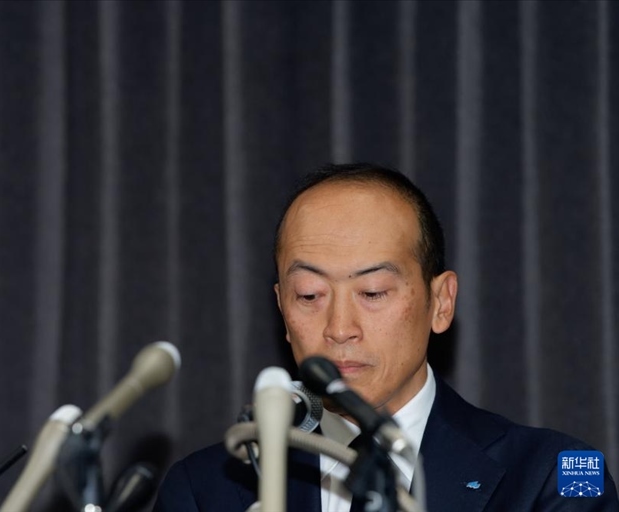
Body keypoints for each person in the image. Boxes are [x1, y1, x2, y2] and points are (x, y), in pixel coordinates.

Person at [153, 163, 619, 511]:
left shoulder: (554, 474)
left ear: (441, 302)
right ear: (281, 308)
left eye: (372, 292)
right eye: (309, 295)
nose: (340, 328)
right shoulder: (206, 489)